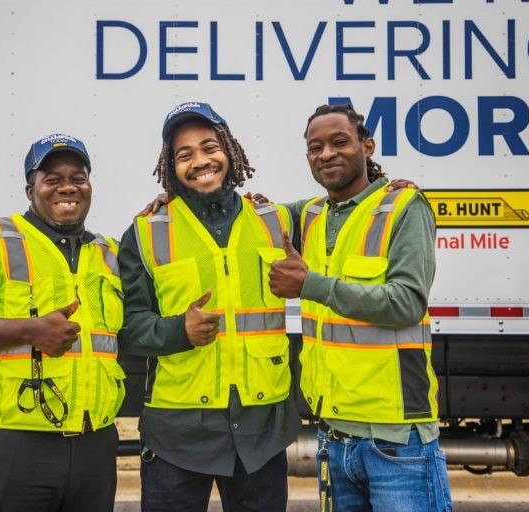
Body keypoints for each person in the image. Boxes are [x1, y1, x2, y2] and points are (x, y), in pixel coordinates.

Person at [117, 101, 302, 512]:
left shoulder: (278, 221)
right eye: (185, 155)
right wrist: (177, 331)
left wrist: (381, 184)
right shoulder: (146, 232)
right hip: (178, 436)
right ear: (170, 166)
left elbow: (341, 209)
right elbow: (125, 328)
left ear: (230, 151)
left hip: (261, 431)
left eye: (209, 147)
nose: (200, 161)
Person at [268, 104, 453, 511]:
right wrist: (171, 197)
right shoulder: (310, 214)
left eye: (339, 142)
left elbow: (406, 302)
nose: (326, 154)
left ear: (366, 146)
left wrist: (310, 285)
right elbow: (247, 213)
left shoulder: (404, 207)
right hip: (333, 436)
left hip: (397, 439)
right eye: (315, 147)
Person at [0, 134, 126, 512]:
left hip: (95, 445)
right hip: (14, 446)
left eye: (78, 177)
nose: (67, 186)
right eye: (52, 179)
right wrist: (28, 330)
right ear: (30, 189)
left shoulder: (110, 252)